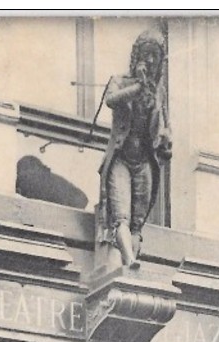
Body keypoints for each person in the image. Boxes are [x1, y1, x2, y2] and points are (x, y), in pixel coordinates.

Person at [97, 30, 172, 270]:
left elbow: (164, 126)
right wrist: (138, 86)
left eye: (155, 56)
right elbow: (111, 100)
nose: (150, 61)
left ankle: (131, 266)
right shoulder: (120, 80)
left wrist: (166, 138)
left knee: (138, 223)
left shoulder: (158, 93)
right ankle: (129, 261)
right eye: (146, 54)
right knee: (122, 216)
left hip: (144, 162)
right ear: (137, 56)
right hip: (121, 159)